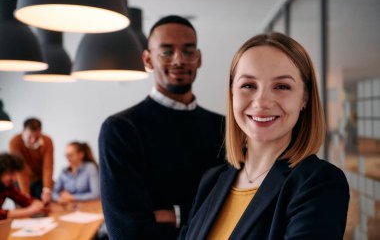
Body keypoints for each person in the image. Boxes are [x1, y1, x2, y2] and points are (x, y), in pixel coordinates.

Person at [178, 32, 350, 240]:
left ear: (304, 97)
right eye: (248, 85)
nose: (261, 102)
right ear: (232, 93)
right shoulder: (212, 181)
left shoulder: (319, 183)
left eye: (281, 86)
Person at [99, 15, 225, 240]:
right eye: (167, 51)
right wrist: (202, 214)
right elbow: (127, 230)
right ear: (148, 60)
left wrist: (173, 214)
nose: (179, 60)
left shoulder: (224, 127)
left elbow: (237, 207)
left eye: (189, 51)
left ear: (199, 58)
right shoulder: (121, 129)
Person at [9, 118, 53, 204]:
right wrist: (25, 195)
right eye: (29, 137)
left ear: (40, 132)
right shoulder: (15, 142)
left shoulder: (47, 141)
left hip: (38, 180)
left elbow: (48, 167)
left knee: (42, 205)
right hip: (20, 180)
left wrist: (47, 190)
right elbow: (20, 169)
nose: (33, 140)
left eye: (36, 137)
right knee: (23, 205)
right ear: (23, 132)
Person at [0, 153, 45, 220]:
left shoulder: (7, 186)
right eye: (10, 174)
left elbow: (23, 199)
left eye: (15, 174)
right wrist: (29, 211)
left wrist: (35, 203)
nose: (14, 179)